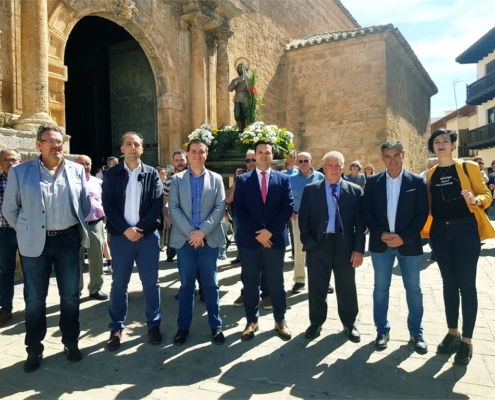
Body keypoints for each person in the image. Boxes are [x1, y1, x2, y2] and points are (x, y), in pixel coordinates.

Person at [3, 125, 91, 372]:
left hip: (68, 240)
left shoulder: (75, 170)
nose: (56, 145)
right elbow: (10, 209)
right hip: (35, 243)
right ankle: (34, 349)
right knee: (34, 300)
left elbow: (84, 205)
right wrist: (27, 229)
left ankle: (71, 342)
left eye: (59, 141)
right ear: (38, 144)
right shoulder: (20, 172)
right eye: (50, 141)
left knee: (71, 295)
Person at [424, 129, 494, 365]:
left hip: (465, 230)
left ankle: (467, 340)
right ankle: (453, 332)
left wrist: (476, 201)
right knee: (448, 284)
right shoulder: (431, 173)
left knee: (467, 285)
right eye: (437, 142)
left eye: (445, 141)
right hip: (440, 232)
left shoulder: (468, 168)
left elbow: (486, 194)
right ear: (432, 147)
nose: (441, 144)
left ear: (453, 145)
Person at [362, 141, 429, 354]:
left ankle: (416, 333)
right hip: (380, 245)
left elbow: (422, 214)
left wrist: (404, 237)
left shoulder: (417, 182)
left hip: (408, 245)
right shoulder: (372, 182)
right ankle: (382, 330)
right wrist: (380, 233)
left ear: (403, 155)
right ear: (382, 158)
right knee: (380, 289)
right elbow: (367, 212)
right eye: (388, 156)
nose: (392, 160)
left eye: (396, 155)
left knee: (414, 289)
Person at [102, 132, 163, 351]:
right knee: (119, 284)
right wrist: (126, 229)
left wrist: (140, 229)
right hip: (121, 238)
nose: (132, 147)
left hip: (147, 239)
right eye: (128, 144)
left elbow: (156, 205)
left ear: (142, 149)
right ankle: (116, 328)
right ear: (122, 149)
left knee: (151, 284)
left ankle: (154, 325)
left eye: (137, 144)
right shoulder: (112, 174)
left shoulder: (152, 174)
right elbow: (108, 205)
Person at [299, 151, 365, 342]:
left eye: (338, 165)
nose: (334, 169)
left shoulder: (354, 190)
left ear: (343, 167)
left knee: (346, 287)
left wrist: (358, 249)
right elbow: (304, 220)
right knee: (317, 287)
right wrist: (309, 243)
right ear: (324, 167)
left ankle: (349, 323)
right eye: (330, 165)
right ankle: (316, 322)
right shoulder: (312, 189)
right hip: (318, 246)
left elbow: (360, 223)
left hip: (345, 246)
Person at [168, 139, 226, 346]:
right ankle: (183, 327)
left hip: (208, 241)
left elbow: (220, 207)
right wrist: (192, 233)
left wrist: (202, 231)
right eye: (194, 151)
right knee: (186, 286)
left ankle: (215, 325)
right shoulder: (177, 180)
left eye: (201, 152)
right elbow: (173, 208)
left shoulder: (216, 179)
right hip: (185, 242)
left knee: (210, 285)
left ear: (206, 155)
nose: (197, 155)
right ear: (188, 154)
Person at [234, 141, 294, 340]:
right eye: (260, 152)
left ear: (272, 155)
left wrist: (270, 232)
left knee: (276, 281)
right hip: (249, 240)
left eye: (267, 152)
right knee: (250, 282)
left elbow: (287, 208)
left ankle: (280, 319)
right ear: (255, 156)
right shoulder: (242, 181)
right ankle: (251, 321)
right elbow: (239, 210)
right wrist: (259, 233)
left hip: (274, 240)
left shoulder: (283, 180)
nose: (263, 155)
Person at [226, 150, 271, 309]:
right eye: (248, 160)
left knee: (266, 261)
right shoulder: (242, 180)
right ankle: (247, 292)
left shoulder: (267, 177)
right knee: (247, 262)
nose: (251, 162)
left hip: (265, 228)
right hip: (245, 227)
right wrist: (239, 180)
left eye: (254, 159)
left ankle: (266, 294)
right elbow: (228, 198)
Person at [289, 152, 324, 293]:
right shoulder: (291, 179)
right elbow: (286, 197)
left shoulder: (320, 177)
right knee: (299, 249)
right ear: (297, 162)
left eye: (306, 161)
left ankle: (323, 280)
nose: (303, 163)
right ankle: (299, 280)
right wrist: (289, 209)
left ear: (311, 161)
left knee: (321, 250)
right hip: (298, 218)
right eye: (300, 161)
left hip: (318, 219)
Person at [75, 155, 108, 301]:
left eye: (87, 163)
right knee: (75, 260)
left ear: (91, 165)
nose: (84, 166)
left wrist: (106, 221)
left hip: (96, 224)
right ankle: (75, 290)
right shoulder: (69, 182)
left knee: (96, 258)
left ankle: (95, 288)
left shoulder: (99, 182)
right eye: (81, 163)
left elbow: (105, 202)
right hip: (75, 227)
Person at [0, 149, 22, 326]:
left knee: (33, 271)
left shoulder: (28, 182)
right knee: (6, 272)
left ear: (20, 161)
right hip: (4, 233)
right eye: (6, 159)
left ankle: (33, 309)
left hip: (26, 232)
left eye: (14, 159)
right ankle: (5, 309)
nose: (11, 162)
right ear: (1, 163)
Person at [164, 149, 188, 262]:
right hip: (175, 216)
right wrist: (165, 216)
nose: (180, 162)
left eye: (182, 159)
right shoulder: (169, 181)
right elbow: (164, 200)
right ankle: (170, 253)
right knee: (173, 237)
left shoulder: (193, 178)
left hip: (190, 216)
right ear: (173, 162)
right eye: (177, 160)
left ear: (186, 160)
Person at [228, 63, 249, 132]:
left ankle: (245, 130)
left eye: (242, 67)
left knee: (245, 115)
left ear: (245, 69)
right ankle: (240, 130)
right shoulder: (235, 80)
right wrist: (237, 82)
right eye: (239, 68)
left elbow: (252, 89)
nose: (240, 69)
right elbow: (230, 89)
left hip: (245, 99)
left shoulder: (249, 79)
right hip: (237, 99)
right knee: (237, 115)